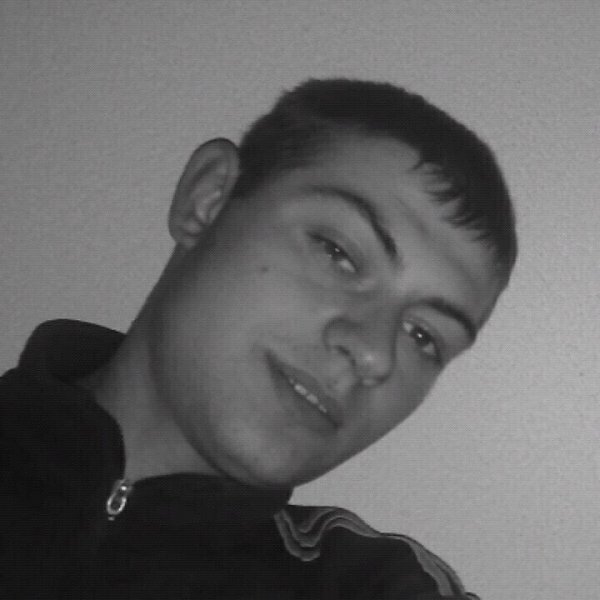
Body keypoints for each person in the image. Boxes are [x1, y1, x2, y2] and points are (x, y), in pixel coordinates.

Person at [1, 78, 517, 599]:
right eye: (338, 251)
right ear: (208, 199)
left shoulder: (373, 586)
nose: (373, 354)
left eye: (424, 336)